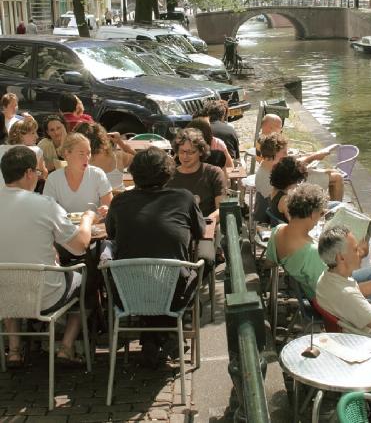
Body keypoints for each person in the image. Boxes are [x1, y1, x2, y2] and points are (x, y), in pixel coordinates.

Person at [105, 147, 205, 367]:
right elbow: (201, 232)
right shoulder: (184, 198)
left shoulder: (120, 202)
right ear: (167, 172)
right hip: (172, 292)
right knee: (197, 268)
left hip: (127, 292)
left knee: (147, 278)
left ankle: (152, 338)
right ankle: (168, 333)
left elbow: (111, 234)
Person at [0, 146, 98, 365]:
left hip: (3, 296)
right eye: (37, 171)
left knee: (8, 276)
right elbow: (80, 245)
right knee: (90, 279)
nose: (39, 175)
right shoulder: (44, 205)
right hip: (45, 296)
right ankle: (66, 347)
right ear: (28, 173)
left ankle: (14, 350)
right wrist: (87, 219)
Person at [265, 184, 371, 314]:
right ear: (312, 214)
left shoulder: (278, 230)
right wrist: (360, 254)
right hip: (332, 304)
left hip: (326, 287)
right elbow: (340, 292)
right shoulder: (312, 253)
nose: (320, 218)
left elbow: (270, 263)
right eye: (321, 213)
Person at [317, 226, 371, 347]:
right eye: (355, 249)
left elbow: (358, 290)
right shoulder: (347, 295)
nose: (361, 253)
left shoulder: (327, 278)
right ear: (341, 257)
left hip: (366, 328)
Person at [43, 133, 112, 216]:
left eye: (88, 153)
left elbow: (110, 206)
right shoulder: (53, 179)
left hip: (93, 223)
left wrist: (106, 209)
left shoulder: (97, 174)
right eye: (81, 154)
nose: (86, 158)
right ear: (67, 153)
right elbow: (47, 210)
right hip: (63, 223)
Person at [169, 128, 226, 221]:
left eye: (190, 152)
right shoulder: (169, 175)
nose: (185, 156)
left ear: (200, 152)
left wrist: (205, 222)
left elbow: (221, 209)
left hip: (206, 225)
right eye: (182, 151)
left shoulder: (214, 173)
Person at [75, 122, 135, 191]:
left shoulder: (78, 162)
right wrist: (120, 142)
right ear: (102, 138)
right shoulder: (118, 156)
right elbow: (140, 159)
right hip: (119, 197)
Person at [254, 156, 307, 225]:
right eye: (297, 182)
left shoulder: (274, 190)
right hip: (286, 229)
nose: (297, 185)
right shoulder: (285, 200)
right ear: (289, 181)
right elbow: (295, 224)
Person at [7, 117, 48, 182]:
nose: (37, 136)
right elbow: (44, 173)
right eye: (33, 133)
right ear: (20, 135)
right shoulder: (36, 150)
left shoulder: (2, 148)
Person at [255, 132, 288, 199]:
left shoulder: (266, 164)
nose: (286, 155)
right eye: (284, 152)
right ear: (273, 154)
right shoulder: (268, 179)